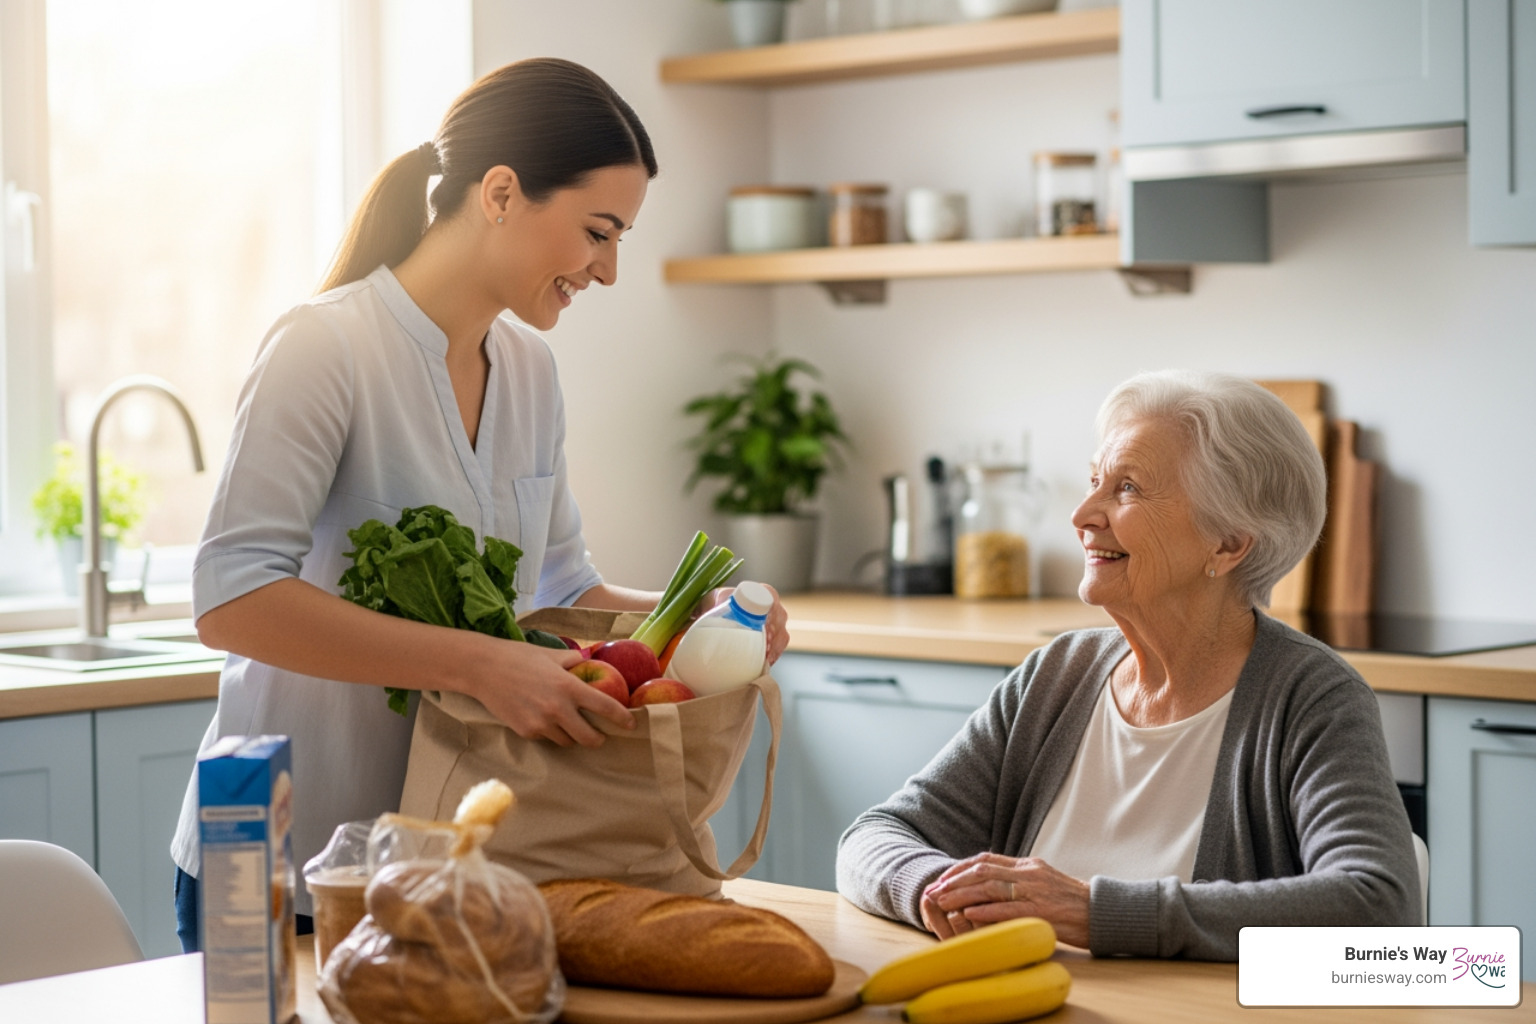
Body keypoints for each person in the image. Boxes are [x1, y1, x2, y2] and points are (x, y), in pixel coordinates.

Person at [169, 58, 788, 952]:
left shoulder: (531, 371)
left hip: (442, 868)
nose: (608, 271)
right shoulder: (325, 348)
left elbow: (564, 584)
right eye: (598, 232)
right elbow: (230, 599)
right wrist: (478, 666)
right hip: (287, 864)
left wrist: (709, 615)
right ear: (501, 192)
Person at [836, 370, 1419, 960]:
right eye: (1095, 481)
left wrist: (1094, 913)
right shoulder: (1056, 676)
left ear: (1227, 543)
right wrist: (939, 893)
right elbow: (874, 838)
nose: (1083, 514)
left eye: (1128, 489)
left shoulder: (1309, 697)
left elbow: (1377, 907)